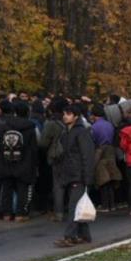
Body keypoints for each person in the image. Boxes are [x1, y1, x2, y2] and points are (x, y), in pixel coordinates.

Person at [55, 103, 95, 247]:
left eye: (69, 114)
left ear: (76, 116)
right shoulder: (67, 131)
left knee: (74, 206)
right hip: (71, 173)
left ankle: (69, 236)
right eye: (64, 113)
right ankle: (84, 235)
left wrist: (88, 177)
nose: (65, 116)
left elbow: (88, 155)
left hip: (79, 174)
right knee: (78, 206)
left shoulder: (81, 132)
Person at [0, 100, 39, 221]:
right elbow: (34, 147)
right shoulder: (30, 127)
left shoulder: (5, 124)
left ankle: (6, 214)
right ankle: (20, 213)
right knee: (22, 188)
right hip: (24, 161)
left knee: (7, 188)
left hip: (6, 160)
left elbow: (0, 143)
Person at [39, 98, 70, 221]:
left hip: (56, 156)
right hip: (71, 156)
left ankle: (59, 212)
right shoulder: (73, 121)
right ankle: (71, 208)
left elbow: (42, 143)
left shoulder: (51, 124)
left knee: (58, 185)